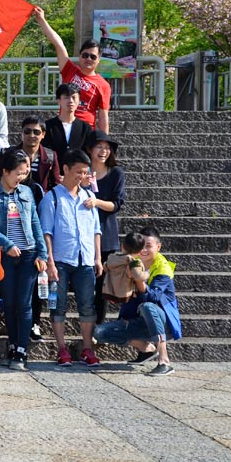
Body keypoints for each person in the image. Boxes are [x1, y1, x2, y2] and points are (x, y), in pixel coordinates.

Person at [0, 149, 49, 370]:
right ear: (5, 171)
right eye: (18, 173)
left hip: (29, 254)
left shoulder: (27, 191)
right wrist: (7, 244)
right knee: (9, 302)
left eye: (25, 173)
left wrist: (43, 253)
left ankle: (21, 349)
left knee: (24, 303)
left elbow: (35, 222)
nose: (22, 177)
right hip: (5, 255)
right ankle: (12, 343)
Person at [39, 149, 103, 367]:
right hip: (60, 260)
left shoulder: (88, 197)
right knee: (58, 305)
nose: (82, 176)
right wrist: (49, 262)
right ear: (65, 169)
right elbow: (46, 232)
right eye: (78, 172)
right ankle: (61, 348)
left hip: (85, 259)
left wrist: (97, 258)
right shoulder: (52, 197)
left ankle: (87, 348)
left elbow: (96, 230)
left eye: (85, 172)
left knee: (87, 306)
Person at [94, 228, 181, 376]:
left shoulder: (162, 268)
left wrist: (138, 279)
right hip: (139, 322)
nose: (144, 250)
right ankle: (146, 349)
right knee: (99, 332)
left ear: (158, 247)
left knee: (148, 307)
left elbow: (153, 298)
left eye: (149, 246)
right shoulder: (131, 262)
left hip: (163, 321)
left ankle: (164, 361)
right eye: (141, 246)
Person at [35, 6, 111, 133]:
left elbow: (103, 117)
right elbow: (59, 45)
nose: (88, 59)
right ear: (79, 56)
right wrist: (42, 20)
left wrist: (104, 141)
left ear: (98, 60)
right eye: (85, 55)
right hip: (63, 127)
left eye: (93, 57)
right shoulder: (69, 70)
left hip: (85, 131)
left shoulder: (103, 85)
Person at [85, 130, 126, 323]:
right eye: (99, 147)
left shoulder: (116, 173)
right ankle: (85, 324)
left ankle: (98, 326)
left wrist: (96, 202)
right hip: (83, 234)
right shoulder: (82, 170)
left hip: (106, 234)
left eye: (107, 148)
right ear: (90, 149)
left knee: (101, 287)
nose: (103, 151)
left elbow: (116, 204)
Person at [43, 84, 92, 160]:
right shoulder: (48, 126)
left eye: (74, 97)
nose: (71, 101)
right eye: (66, 97)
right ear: (58, 100)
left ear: (79, 100)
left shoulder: (85, 128)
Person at [15, 115, 58, 194]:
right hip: (14, 199)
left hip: (41, 199)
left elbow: (56, 184)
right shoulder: (9, 154)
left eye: (36, 132)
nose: (31, 135)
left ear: (43, 134)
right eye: (27, 131)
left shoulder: (50, 156)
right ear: (22, 133)